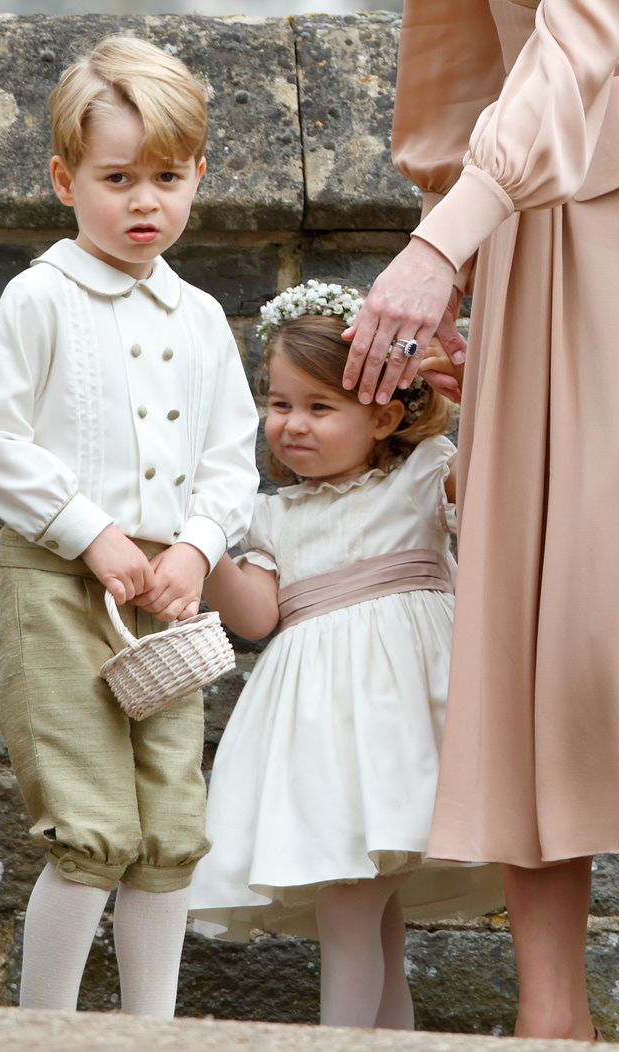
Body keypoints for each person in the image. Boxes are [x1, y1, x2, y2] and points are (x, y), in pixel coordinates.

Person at [0, 35, 259, 1017]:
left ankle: (151, 1031)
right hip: (60, 582)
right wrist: (91, 531)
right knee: (91, 825)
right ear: (64, 178)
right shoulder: (39, 297)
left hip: (168, 595)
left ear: (197, 175)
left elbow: (230, 454)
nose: (144, 201)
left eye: (166, 177)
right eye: (118, 176)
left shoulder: (202, 316)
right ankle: (43, 1029)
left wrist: (198, 547)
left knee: (169, 821)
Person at [341, 1, 619, 1040]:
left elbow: (592, 32)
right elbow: (457, 40)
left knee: (597, 630)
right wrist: (453, 228)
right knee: (534, 627)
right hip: (539, 236)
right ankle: (554, 1021)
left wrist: (442, 239)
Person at [188, 282, 501, 1030]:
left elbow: (494, 486)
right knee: (363, 903)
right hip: (324, 735)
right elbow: (257, 616)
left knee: (354, 899)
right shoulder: (270, 516)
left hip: (406, 723)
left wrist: (479, 385)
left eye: (320, 407)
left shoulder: (424, 475)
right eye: (280, 403)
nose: (293, 425)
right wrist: (197, 542)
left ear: (384, 415)